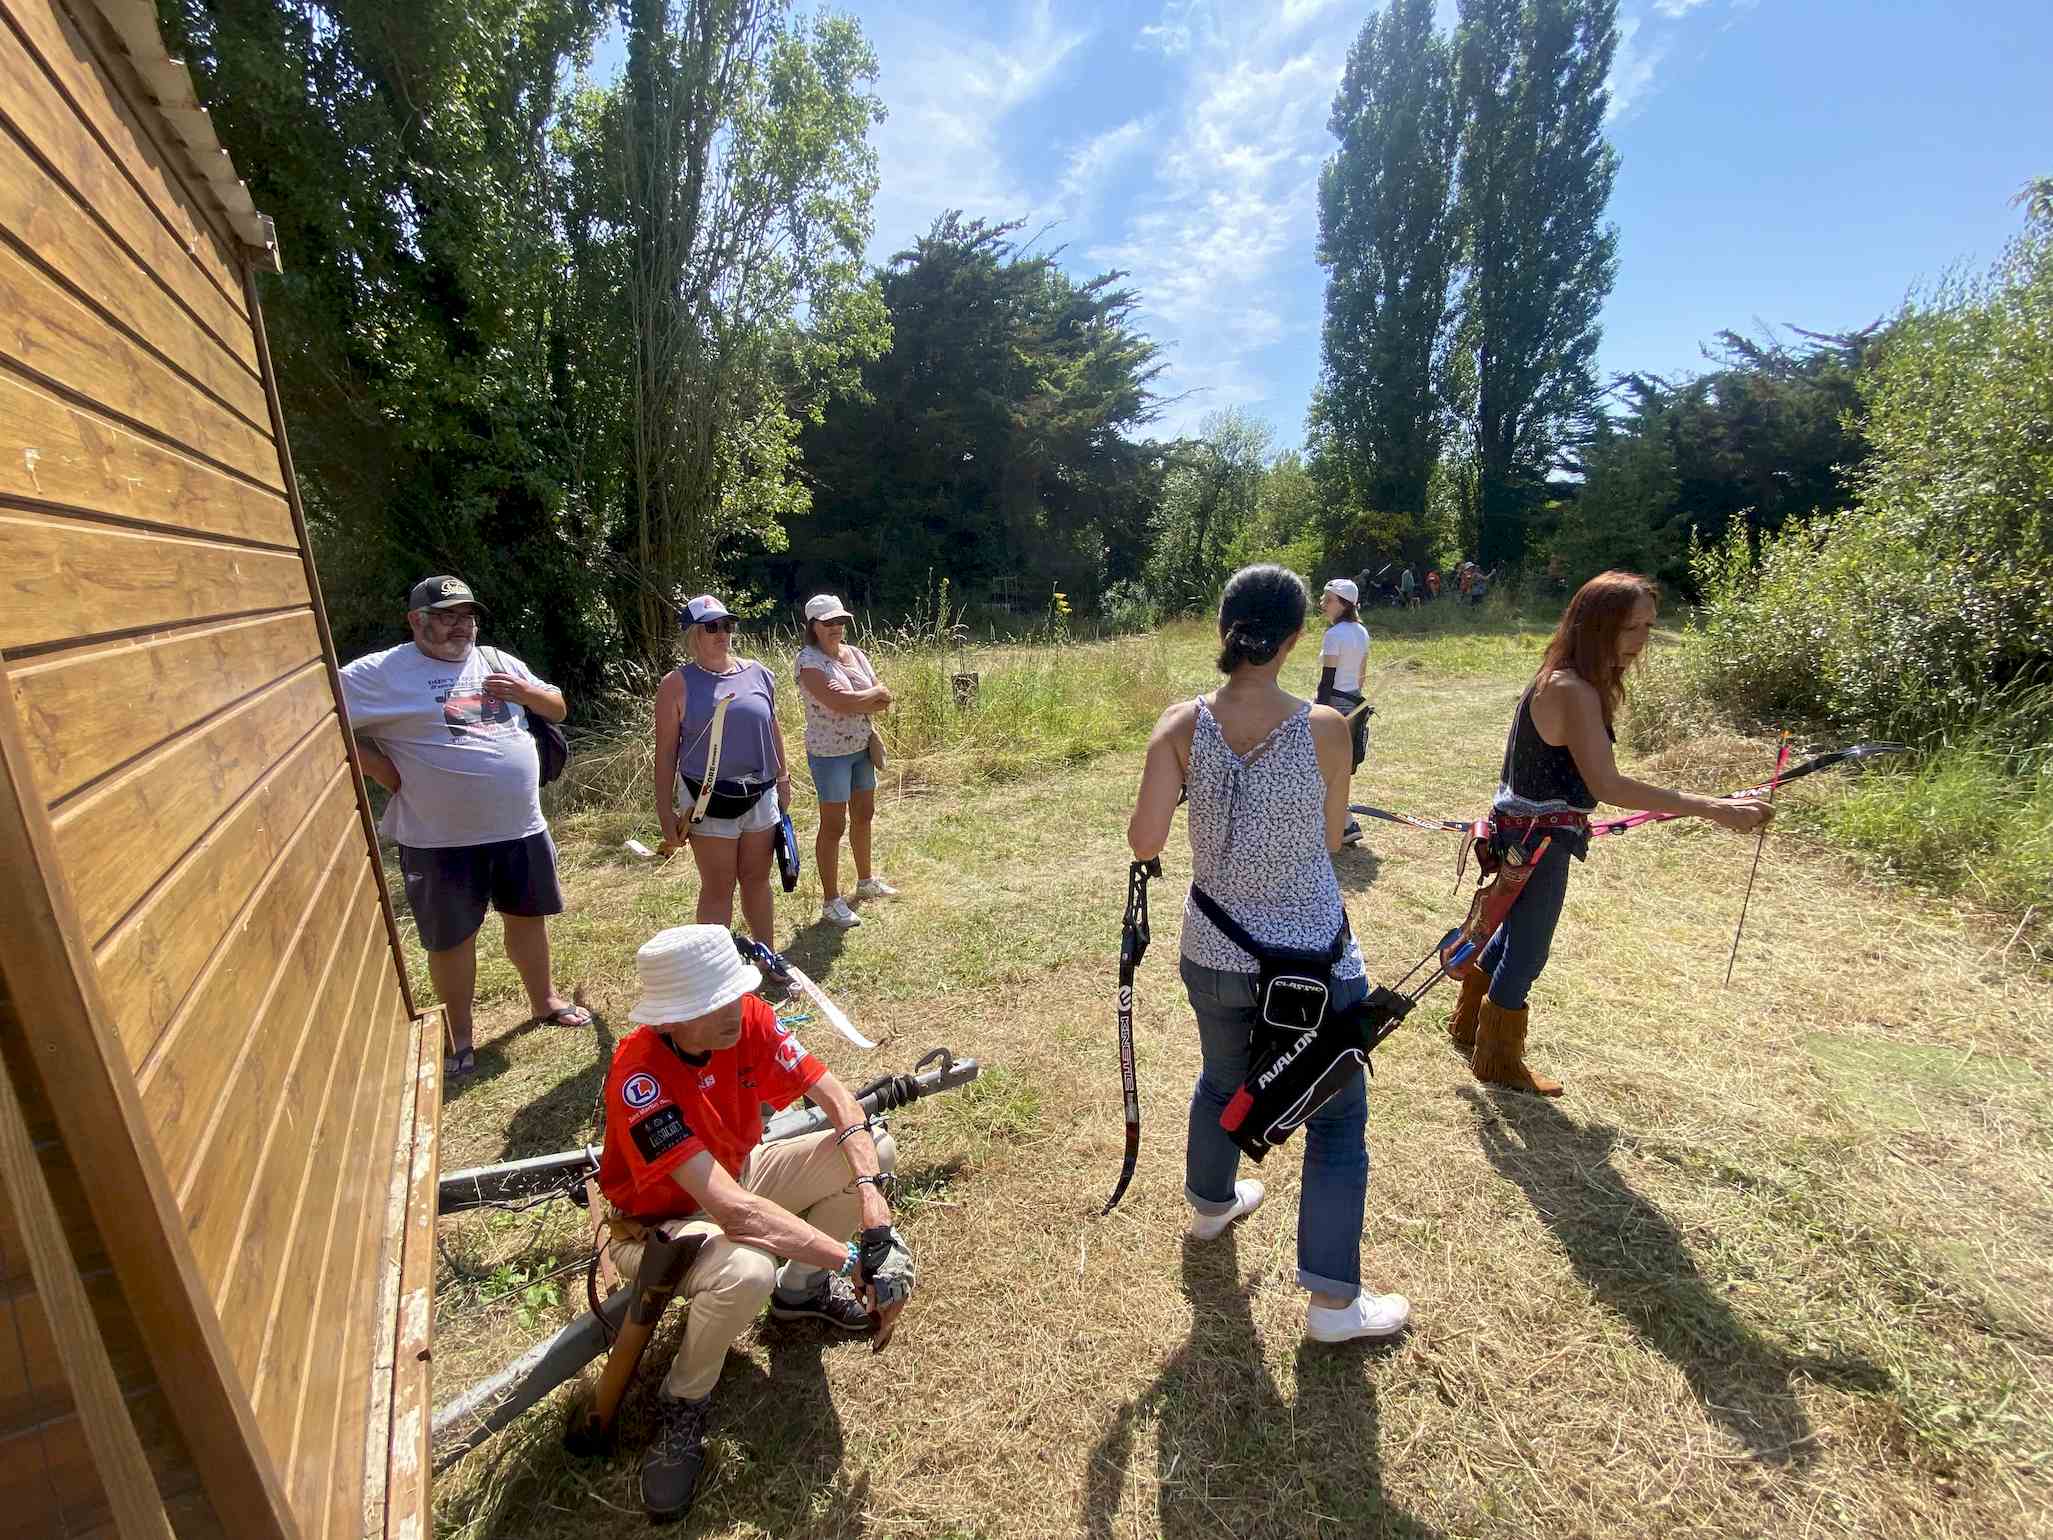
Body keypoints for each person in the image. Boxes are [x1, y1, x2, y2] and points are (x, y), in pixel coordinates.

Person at [1127, 564, 1409, 1345]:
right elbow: (1330, 839)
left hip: (1215, 947)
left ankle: (1210, 1208)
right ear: (1294, 639)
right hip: (1312, 961)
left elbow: (1144, 840)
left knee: (1221, 1080)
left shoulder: (1179, 724)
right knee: (1337, 1120)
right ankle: (1332, 1305)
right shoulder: (1326, 728)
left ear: (1223, 628)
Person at [597, 925, 911, 1522]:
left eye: (734, 993)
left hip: (737, 1174)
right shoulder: (639, 1079)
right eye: (712, 1003)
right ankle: (682, 1401)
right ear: (669, 1019)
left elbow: (839, 1100)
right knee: (746, 1270)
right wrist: (852, 1260)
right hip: (663, 1224)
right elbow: (731, 1212)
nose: (733, 1010)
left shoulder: (746, 1018)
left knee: (874, 1150)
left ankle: (802, 1295)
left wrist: (874, 1212)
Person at [1448, 572, 1774, 1095]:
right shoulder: (1574, 691)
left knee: (1509, 932)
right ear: (1597, 626)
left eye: (1649, 627)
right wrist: (1711, 807)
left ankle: (1469, 1024)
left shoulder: (1560, 678)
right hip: (1538, 841)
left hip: (1523, 833)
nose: (1642, 640)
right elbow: (1608, 785)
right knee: (1528, 951)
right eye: (1631, 628)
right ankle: (1498, 1060)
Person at [341, 575, 591, 1078]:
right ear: (416, 621)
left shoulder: (496, 660)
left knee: (528, 918)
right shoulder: (378, 674)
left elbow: (557, 706)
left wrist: (526, 692)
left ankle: (544, 1001)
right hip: (439, 840)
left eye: (468, 616)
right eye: (447, 616)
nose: (462, 626)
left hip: (520, 826)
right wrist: (378, 767)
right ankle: (460, 1035)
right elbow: (320, 714)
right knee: (451, 939)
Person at [654, 596, 792, 943]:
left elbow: (772, 726)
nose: (722, 633)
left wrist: (783, 777)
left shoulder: (758, 673)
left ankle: (767, 958)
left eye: (727, 625)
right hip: (707, 801)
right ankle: (715, 968)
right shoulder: (676, 684)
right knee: (718, 887)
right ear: (693, 635)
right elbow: (666, 752)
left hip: (760, 794)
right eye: (712, 627)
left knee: (757, 880)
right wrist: (665, 811)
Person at [794, 594, 898, 928]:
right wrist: (869, 697)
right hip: (829, 756)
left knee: (864, 814)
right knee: (834, 825)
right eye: (828, 622)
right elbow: (838, 701)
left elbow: (884, 697)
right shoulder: (808, 661)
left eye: (840, 621)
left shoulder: (855, 654)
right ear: (813, 626)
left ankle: (865, 881)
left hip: (862, 747)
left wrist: (860, 699)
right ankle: (831, 901)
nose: (836, 627)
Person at [1314, 577, 1371, 847]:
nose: (1323, 604)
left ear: (1345, 604)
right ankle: (1344, 823)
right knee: (1338, 770)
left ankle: (1345, 824)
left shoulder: (1334, 635)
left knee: (1323, 768)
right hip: (1354, 704)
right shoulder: (1362, 632)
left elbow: (1327, 680)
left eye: (1329, 600)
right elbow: (1361, 677)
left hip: (1334, 705)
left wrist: (1319, 712)